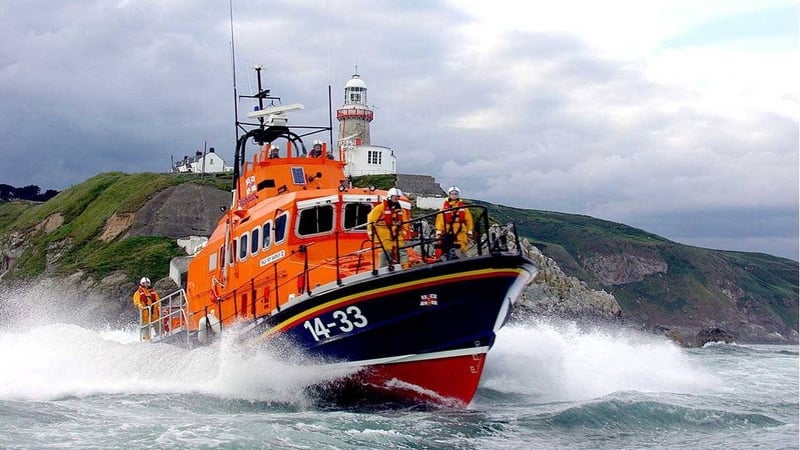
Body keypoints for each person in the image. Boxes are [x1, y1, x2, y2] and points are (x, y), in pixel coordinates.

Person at [367, 187, 411, 268]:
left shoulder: (401, 210)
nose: (397, 198)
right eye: (395, 197)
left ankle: (405, 268)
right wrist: (370, 232)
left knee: (402, 250)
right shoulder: (380, 208)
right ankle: (384, 269)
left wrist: (404, 229)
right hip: (383, 234)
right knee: (386, 252)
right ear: (390, 196)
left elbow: (405, 221)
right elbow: (371, 219)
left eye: (398, 197)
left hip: (397, 233)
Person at [435, 186, 474, 259]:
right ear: (449, 194)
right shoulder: (443, 209)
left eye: (456, 194)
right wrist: (439, 232)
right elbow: (440, 221)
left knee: (462, 248)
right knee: (448, 248)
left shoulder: (464, 208)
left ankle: (463, 260)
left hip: (461, 232)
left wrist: (469, 231)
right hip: (448, 232)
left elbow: (469, 220)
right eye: (452, 194)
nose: (454, 195)